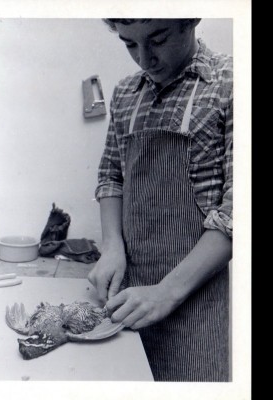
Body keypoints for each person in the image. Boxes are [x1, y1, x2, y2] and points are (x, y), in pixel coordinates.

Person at [88, 19, 233, 382]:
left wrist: (166, 293)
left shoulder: (230, 83)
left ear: (191, 20)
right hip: (127, 296)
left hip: (195, 302)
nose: (145, 58)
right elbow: (111, 177)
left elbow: (237, 211)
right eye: (129, 45)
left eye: (158, 39)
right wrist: (111, 248)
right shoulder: (125, 94)